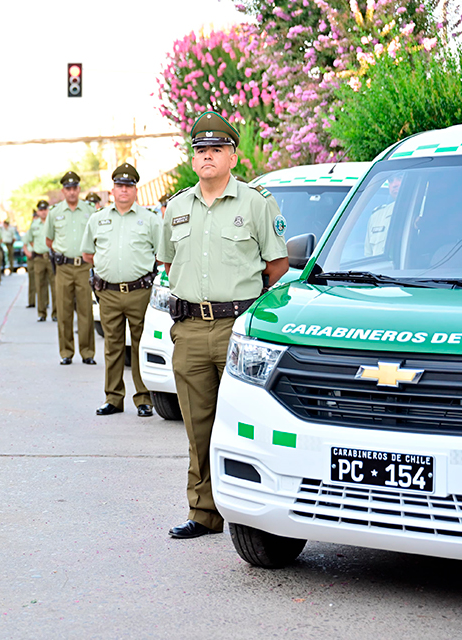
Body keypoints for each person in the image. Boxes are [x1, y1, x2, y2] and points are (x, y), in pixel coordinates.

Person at [157, 111, 288, 539]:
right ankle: (204, 511)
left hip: (239, 329)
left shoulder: (256, 203)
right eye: (201, 151)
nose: (208, 156)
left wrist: (249, 314)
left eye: (217, 149)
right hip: (191, 329)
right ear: (193, 160)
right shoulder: (176, 207)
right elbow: (167, 262)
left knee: (248, 423)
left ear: (233, 156)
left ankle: (260, 514)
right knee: (198, 426)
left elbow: (278, 266)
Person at [81, 163, 160, 418]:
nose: (123, 190)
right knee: (112, 346)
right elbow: (87, 253)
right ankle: (113, 398)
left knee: (140, 345)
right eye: (119, 186)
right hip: (109, 293)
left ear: (135, 190)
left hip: (140, 292)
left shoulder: (149, 219)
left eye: (128, 186)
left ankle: (144, 399)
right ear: (112, 189)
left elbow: (161, 255)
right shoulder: (98, 219)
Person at [46, 171, 96, 365]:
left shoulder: (90, 211)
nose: (72, 192)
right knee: (64, 310)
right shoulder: (55, 213)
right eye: (68, 188)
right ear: (63, 191)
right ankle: (66, 352)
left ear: (79, 189)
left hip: (84, 267)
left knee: (85, 311)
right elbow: (49, 240)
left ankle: (87, 352)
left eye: (74, 188)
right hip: (64, 267)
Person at [24, 200, 56, 321]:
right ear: (38, 212)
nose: (43, 212)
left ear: (48, 210)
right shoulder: (34, 225)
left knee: (54, 286)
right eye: (41, 210)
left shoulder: (53, 223)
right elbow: (30, 240)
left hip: (51, 257)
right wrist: (36, 249)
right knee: (40, 286)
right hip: (38, 259)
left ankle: (55, 313)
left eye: (45, 209)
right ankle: (42, 313)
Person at [364, 173, 403, 257]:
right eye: (391, 180)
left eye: (400, 178)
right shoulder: (377, 216)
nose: (394, 185)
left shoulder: (426, 211)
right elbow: (368, 255)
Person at [25, 210, 37, 307]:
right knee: (32, 280)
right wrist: (28, 253)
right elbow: (25, 244)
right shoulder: (30, 229)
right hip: (32, 256)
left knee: (43, 282)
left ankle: (44, 303)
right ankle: (31, 301)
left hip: (39, 256)